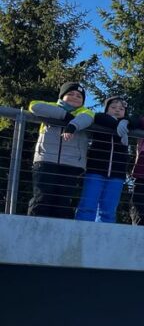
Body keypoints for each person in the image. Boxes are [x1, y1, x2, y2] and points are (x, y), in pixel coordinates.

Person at [27, 82, 95, 218]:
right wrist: (65, 116)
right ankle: (34, 229)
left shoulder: (84, 112)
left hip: (72, 165)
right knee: (41, 198)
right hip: (45, 161)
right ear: (62, 96)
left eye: (79, 96)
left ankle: (61, 231)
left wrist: (72, 125)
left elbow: (87, 118)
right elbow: (34, 106)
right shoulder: (51, 107)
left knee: (63, 203)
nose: (74, 97)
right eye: (70, 94)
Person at [76, 96, 130, 223]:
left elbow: (137, 121)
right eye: (113, 107)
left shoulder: (128, 124)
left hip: (117, 174)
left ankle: (104, 233)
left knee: (108, 210)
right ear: (106, 109)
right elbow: (100, 117)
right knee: (87, 206)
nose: (117, 110)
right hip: (95, 171)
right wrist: (120, 124)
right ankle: (81, 232)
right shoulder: (100, 119)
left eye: (121, 109)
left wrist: (125, 122)